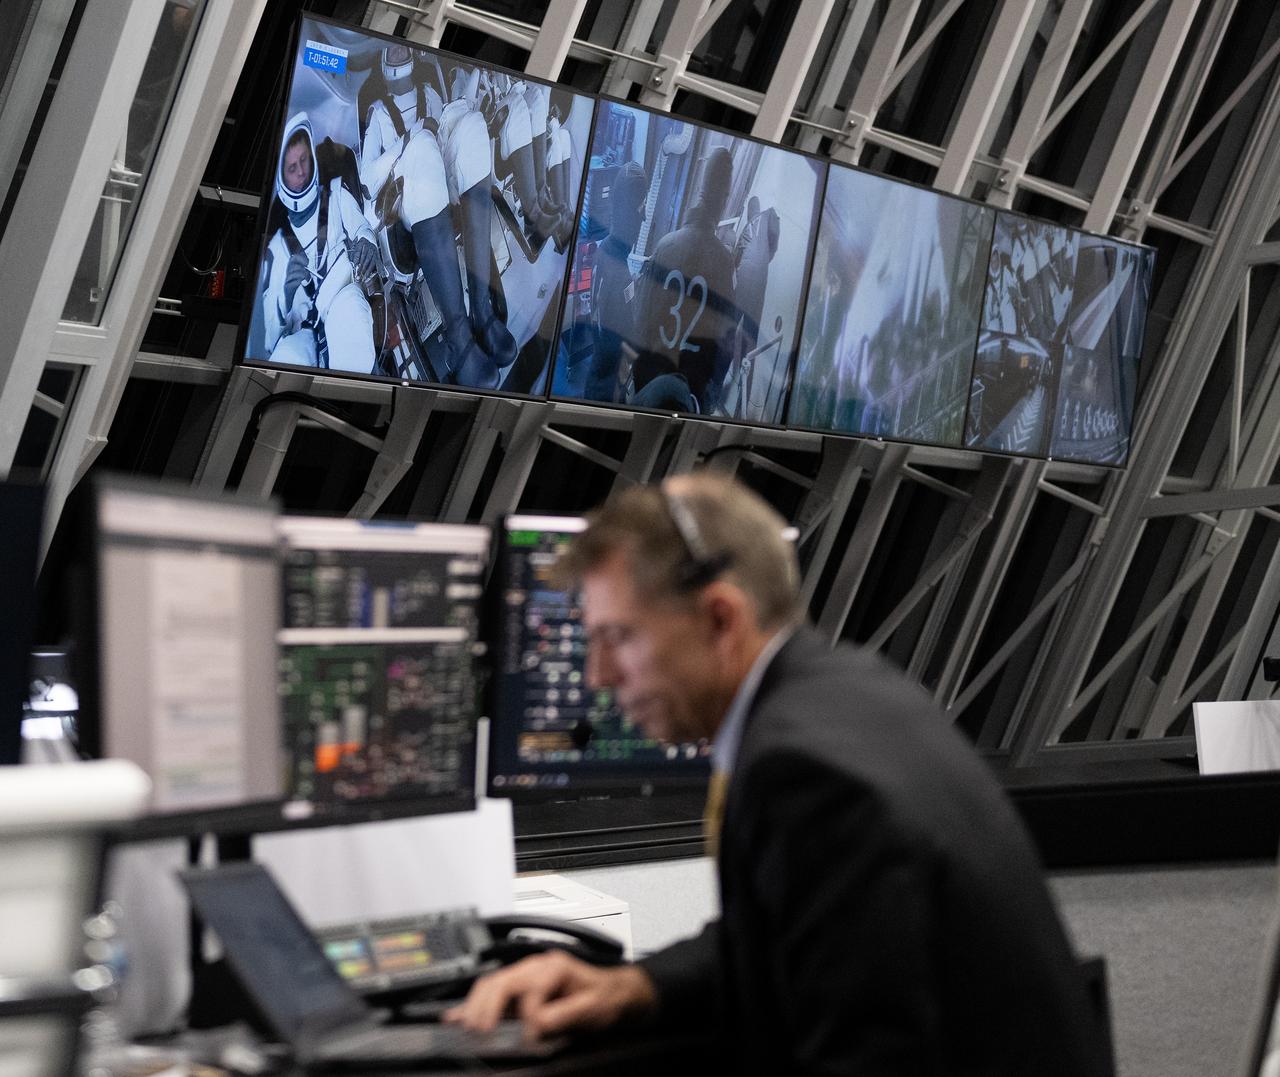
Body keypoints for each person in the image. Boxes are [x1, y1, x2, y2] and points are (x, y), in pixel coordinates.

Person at [447, 472, 1111, 1075]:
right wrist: (631, 985)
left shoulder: (808, 773)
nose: (597, 676)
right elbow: (778, 936)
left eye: (617, 638)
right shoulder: (847, 691)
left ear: (720, 618)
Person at [260, 113, 380, 373]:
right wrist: (287, 294)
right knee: (284, 360)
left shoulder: (336, 193)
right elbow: (270, 337)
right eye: (292, 168)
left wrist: (367, 242)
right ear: (282, 178)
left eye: (303, 160)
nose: (301, 171)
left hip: (341, 298)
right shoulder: (277, 247)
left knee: (349, 313)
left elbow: (361, 227)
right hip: (303, 333)